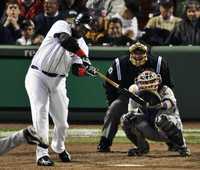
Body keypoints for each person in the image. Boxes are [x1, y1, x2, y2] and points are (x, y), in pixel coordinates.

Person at [25, 12, 96, 166]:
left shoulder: (83, 45)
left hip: (59, 80)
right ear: (75, 23)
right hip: (37, 75)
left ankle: (58, 147)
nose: (82, 30)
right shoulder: (61, 25)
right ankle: (42, 154)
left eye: (85, 29)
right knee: (40, 112)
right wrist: (84, 56)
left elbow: (77, 71)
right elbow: (65, 41)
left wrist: (86, 71)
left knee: (62, 122)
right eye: (81, 26)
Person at [97, 41, 174, 152]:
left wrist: (161, 103)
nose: (138, 55)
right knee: (116, 110)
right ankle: (106, 141)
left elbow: (167, 86)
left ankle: (174, 141)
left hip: (154, 98)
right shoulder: (119, 64)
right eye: (135, 52)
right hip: (128, 98)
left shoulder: (159, 63)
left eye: (141, 52)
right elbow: (109, 87)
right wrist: (112, 101)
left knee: (165, 118)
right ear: (130, 53)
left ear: (147, 53)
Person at [121, 70, 191, 157]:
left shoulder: (165, 90)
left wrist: (159, 105)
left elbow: (170, 103)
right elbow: (131, 111)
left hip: (168, 128)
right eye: (145, 82)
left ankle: (182, 147)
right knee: (126, 119)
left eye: (151, 82)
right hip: (149, 128)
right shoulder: (135, 94)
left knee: (162, 119)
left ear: (157, 81)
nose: (148, 84)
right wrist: (140, 109)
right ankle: (141, 147)